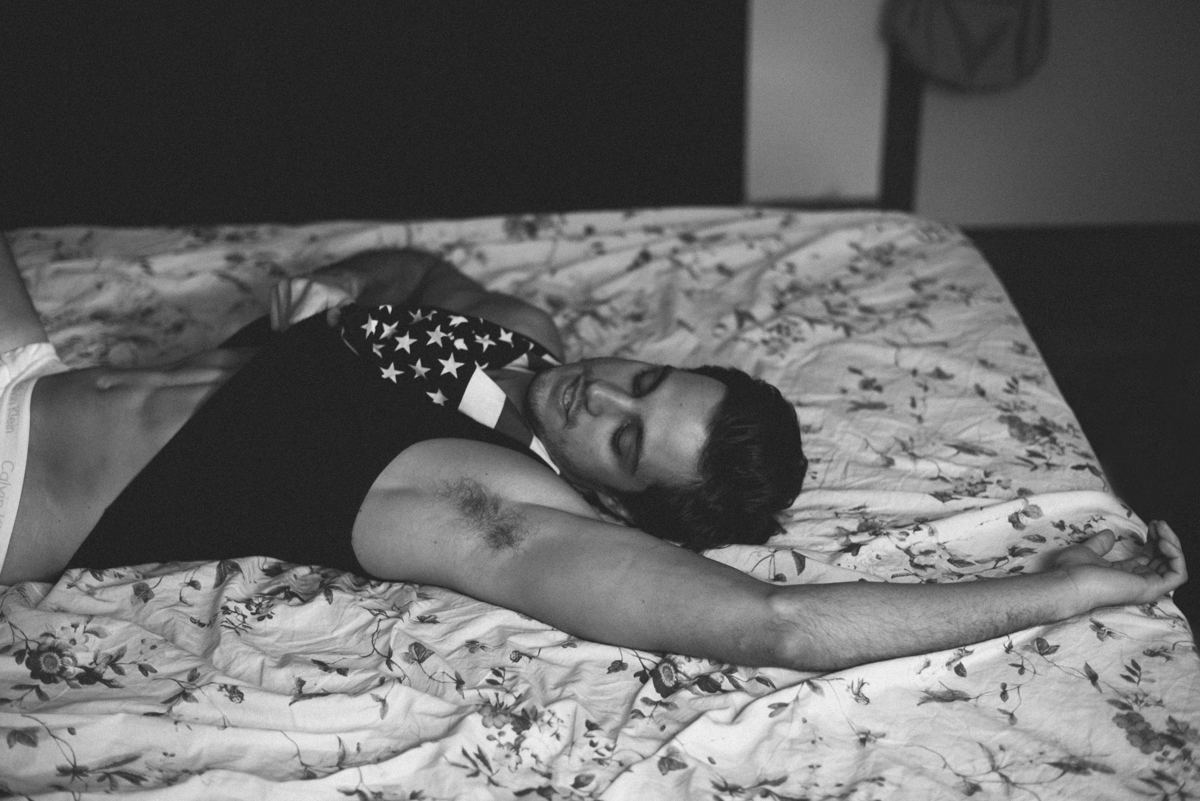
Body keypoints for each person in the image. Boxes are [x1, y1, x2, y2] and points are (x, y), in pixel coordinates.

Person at [0, 234, 1187, 672]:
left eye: (623, 440)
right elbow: (417, 273)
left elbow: (777, 627)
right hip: (35, 373)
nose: (601, 395)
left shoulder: (481, 499)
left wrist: (1069, 589)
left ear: (616, 504)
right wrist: (336, 285)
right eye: (647, 383)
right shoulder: (521, 338)